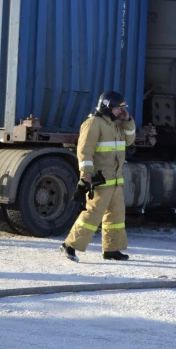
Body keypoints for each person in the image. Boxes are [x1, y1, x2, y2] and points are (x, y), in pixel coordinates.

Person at [60, 91, 136, 262]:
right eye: (118, 109)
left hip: (115, 180)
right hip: (99, 179)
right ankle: (69, 245)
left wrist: (127, 119)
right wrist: (86, 175)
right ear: (107, 106)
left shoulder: (116, 124)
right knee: (92, 214)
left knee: (115, 217)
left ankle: (111, 249)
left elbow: (130, 140)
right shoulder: (93, 123)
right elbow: (85, 150)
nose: (120, 112)